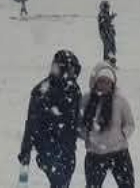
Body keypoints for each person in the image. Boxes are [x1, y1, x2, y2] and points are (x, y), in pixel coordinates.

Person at [19, 50, 83, 188]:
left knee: (63, 183)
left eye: (74, 70)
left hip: (68, 149)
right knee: (59, 182)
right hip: (47, 149)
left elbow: (76, 118)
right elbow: (31, 123)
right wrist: (26, 150)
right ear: (59, 68)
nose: (72, 74)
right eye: (69, 69)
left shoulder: (74, 90)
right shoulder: (41, 92)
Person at [79, 63, 136, 188]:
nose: (104, 85)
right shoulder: (86, 100)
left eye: (108, 82)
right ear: (95, 82)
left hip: (119, 153)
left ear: (112, 84)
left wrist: (122, 135)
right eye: (101, 82)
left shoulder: (120, 101)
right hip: (95, 154)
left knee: (127, 185)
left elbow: (130, 124)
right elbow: (80, 124)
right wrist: (87, 136)